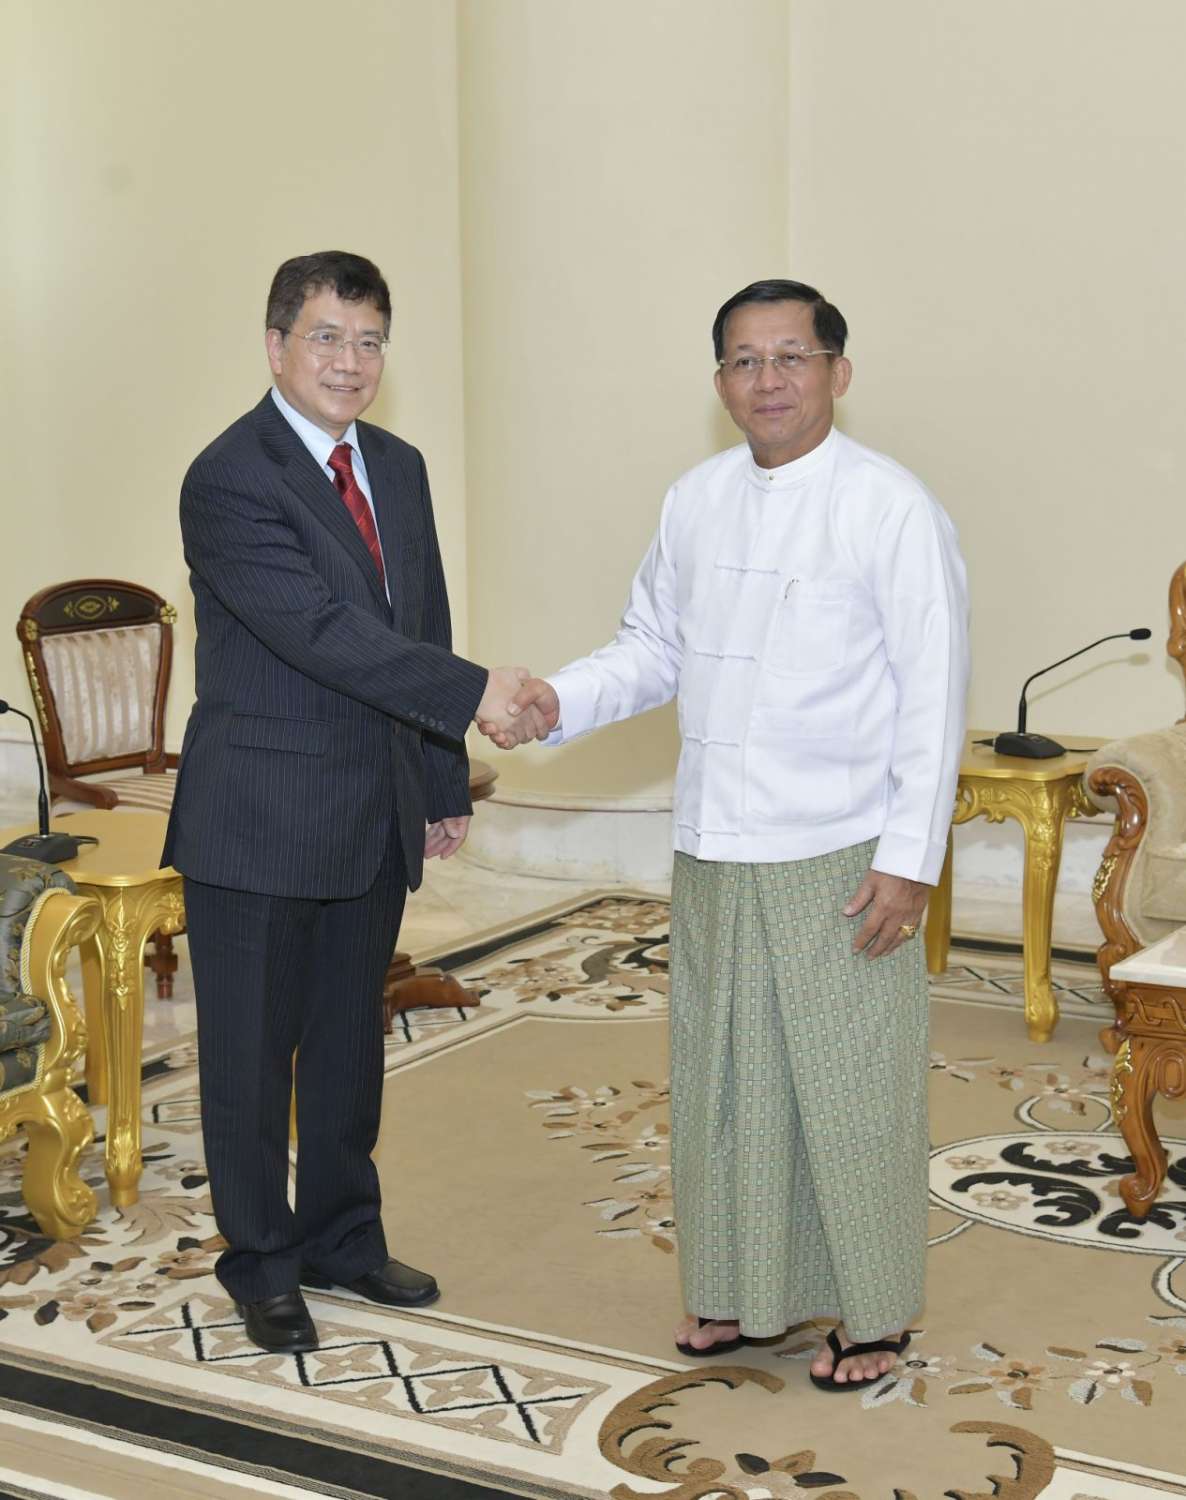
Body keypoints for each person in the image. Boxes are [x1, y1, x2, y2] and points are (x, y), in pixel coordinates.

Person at [481, 279, 968, 1391]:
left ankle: (873, 1313)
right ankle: (740, 1292)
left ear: (838, 372)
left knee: (846, 1088)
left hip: (840, 849)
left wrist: (909, 863)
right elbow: (653, 646)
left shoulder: (890, 506)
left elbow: (933, 693)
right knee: (727, 1081)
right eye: (745, 361)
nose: (769, 381)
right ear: (720, 384)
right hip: (716, 844)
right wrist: (558, 698)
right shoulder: (694, 500)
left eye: (791, 357)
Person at [163, 250, 543, 1355]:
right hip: (260, 818)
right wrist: (477, 692)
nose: (350, 361)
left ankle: (342, 1238)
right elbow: (319, 634)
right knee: (249, 1060)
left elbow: (417, 620)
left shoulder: (398, 465)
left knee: (347, 1046)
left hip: (371, 805)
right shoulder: (229, 477)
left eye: (369, 340)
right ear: (275, 345)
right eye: (326, 336)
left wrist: (437, 777)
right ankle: (261, 1263)